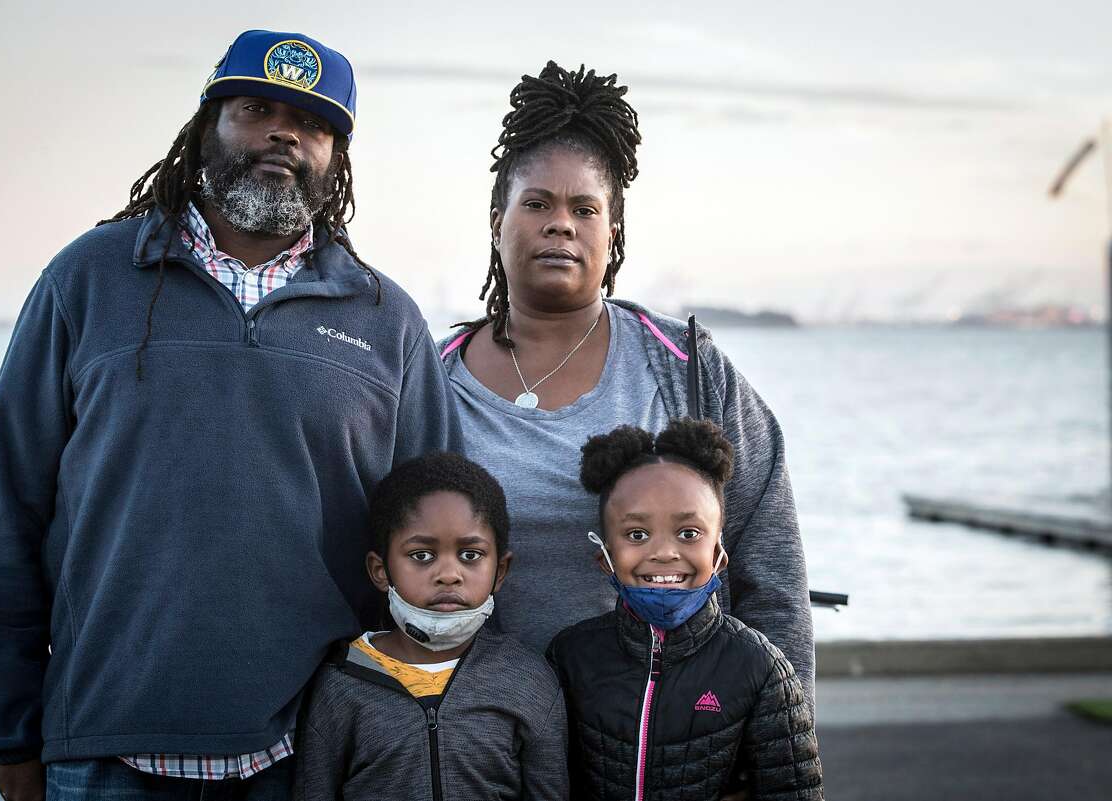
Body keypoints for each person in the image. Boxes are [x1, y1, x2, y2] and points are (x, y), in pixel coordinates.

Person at [0, 29, 459, 801]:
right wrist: (9, 728)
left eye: (314, 123)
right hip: (100, 750)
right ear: (206, 127)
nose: (284, 133)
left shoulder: (387, 320)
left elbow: (438, 539)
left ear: (340, 158)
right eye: (256, 108)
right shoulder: (85, 280)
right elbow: (7, 517)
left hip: (310, 757)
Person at [438, 62, 816, 708]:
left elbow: (773, 573)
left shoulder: (686, 368)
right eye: (537, 204)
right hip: (489, 741)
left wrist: (776, 739)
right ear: (497, 219)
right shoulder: (431, 380)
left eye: (584, 208)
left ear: (613, 233)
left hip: (667, 738)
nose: (561, 224)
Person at [549, 419, 822, 800]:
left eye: (689, 533)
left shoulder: (759, 668)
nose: (664, 552)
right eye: (637, 535)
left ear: (719, 554)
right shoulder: (570, 657)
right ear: (605, 556)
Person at [297, 451, 567, 800]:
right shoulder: (342, 684)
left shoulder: (528, 679)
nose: (448, 575)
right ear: (381, 571)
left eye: (470, 555)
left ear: (500, 570)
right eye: (421, 555)